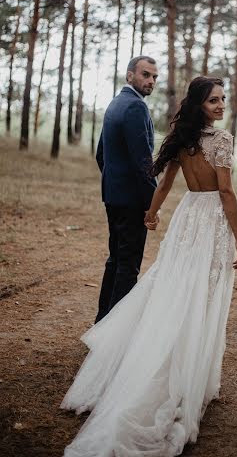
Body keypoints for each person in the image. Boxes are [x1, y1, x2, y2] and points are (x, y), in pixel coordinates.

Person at [61, 76, 237, 457]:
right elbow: (226, 191)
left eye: (223, 100)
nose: (220, 105)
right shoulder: (222, 140)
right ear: (199, 104)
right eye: (214, 100)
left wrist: (153, 211)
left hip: (187, 216)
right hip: (210, 218)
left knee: (177, 287)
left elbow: (164, 184)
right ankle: (182, 374)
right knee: (200, 294)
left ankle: (176, 362)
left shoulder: (182, 139)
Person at [94, 56, 159, 323]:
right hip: (132, 201)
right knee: (128, 266)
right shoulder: (135, 107)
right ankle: (114, 335)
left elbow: (101, 155)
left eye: (154, 77)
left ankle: (102, 324)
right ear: (129, 75)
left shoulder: (115, 103)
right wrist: (152, 205)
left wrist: (114, 185)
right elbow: (144, 163)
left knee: (116, 260)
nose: (151, 81)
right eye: (145, 75)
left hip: (113, 197)